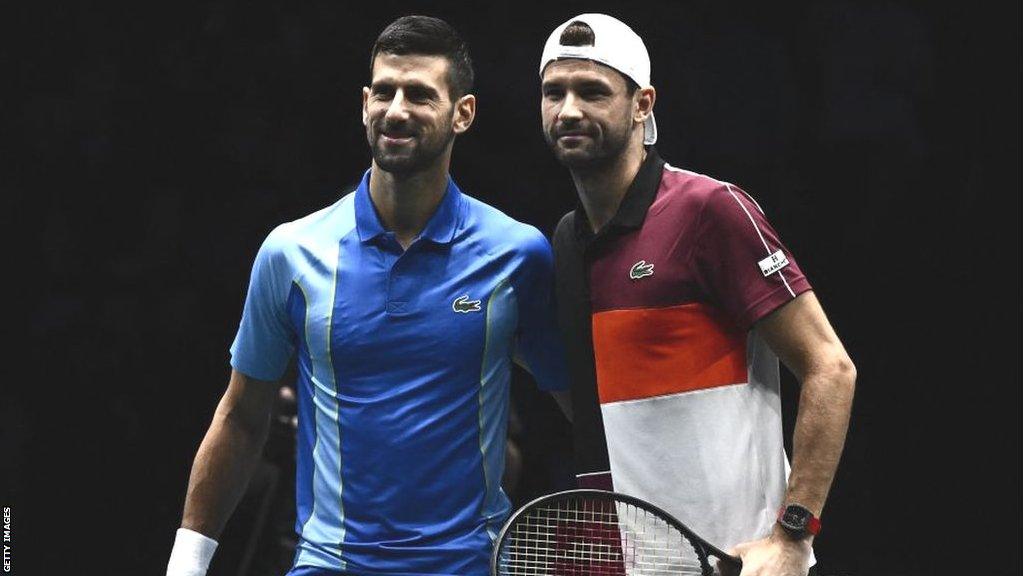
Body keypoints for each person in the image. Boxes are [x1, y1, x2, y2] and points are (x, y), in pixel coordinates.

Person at [166, 15, 569, 576]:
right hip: (328, 564)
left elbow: (579, 401)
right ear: (364, 104)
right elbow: (239, 418)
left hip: (467, 566)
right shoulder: (290, 254)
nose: (397, 110)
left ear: (463, 113)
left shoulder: (518, 255)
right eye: (385, 91)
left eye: (421, 95)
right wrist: (185, 565)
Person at [538, 13, 856, 576]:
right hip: (635, 562)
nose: (569, 110)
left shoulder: (710, 210)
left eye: (592, 92)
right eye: (553, 92)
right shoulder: (566, 240)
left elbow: (831, 368)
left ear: (642, 105)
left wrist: (792, 536)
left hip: (740, 561)